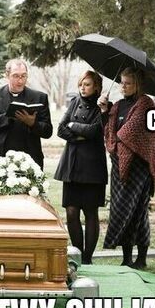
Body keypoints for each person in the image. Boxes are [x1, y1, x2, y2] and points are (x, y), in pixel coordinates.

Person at [98, 67, 155, 269]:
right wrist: (105, 111)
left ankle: (141, 257)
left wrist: (114, 139)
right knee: (121, 209)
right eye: (122, 83)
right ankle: (127, 257)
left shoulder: (146, 104)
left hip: (139, 167)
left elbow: (129, 133)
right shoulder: (118, 106)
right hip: (118, 165)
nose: (123, 87)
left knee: (137, 211)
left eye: (128, 83)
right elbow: (108, 131)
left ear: (137, 84)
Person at [54, 71, 108, 265]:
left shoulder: (104, 106)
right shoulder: (74, 102)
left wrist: (73, 125)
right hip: (72, 163)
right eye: (81, 84)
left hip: (92, 166)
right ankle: (77, 254)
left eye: (87, 84)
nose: (83, 88)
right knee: (71, 211)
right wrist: (78, 136)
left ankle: (87, 258)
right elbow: (61, 129)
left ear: (96, 87)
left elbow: (95, 131)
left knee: (91, 212)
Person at [0, 59, 53, 173]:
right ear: (7, 75)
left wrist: (33, 123)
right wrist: (7, 117)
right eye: (16, 76)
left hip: (30, 161)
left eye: (24, 76)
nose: (20, 80)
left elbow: (48, 131)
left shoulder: (40, 97)